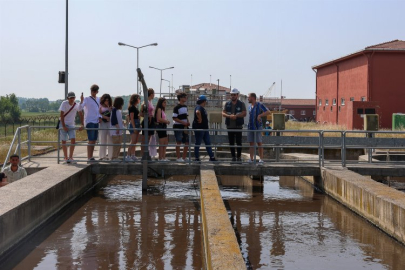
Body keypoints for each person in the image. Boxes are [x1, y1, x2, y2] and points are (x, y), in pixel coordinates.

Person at [58, 92, 84, 164]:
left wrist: (82, 124)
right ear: (68, 98)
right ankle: (66, 157)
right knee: (64, 140)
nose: (72, 99)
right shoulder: (64, 103)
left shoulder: (76, 105)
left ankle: (71, 156)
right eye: (70, 98)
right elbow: (62, 115)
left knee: (73, 139)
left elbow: (81, 114)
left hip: (71, 124)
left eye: (73, 98)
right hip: (63, 123)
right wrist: (63, 126)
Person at [222, 88, 246, 162]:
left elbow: (244, 113)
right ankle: (233, 157)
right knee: (231, 142)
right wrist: (229, 116)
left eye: (234, 95)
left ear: (237, 95)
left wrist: (236, 116)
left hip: (238, 126)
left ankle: (238, 157)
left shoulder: (241, 104)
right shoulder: (227, 104)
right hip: (230, 126)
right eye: (231, 95)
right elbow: (223, 113)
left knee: (239, 142)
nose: (233, 96)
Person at [247, 92, 271, 164]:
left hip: (257, 127)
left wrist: (260, 115)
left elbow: (268, 112)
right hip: (250, 127)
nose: (248, 98)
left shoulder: (259, 105)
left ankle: (261, 159)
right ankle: (251, 159)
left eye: (249, 97)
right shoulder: (249, 107)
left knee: (259, 143)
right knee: (251, 143)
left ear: (253, 98)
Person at [80, 84, 101, 162]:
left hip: (96, 121)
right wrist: (81, 101)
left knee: (94, 140)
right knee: (91, 139)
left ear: (97, 91)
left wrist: (100, 117)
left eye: (95, 91)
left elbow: (99, 109)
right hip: (89, 121)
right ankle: (89, 157)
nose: (93, 92)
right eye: (92, 91)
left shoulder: (99, 99)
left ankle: (91, 156)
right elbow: (80, 108)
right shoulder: (86, 99)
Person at [192, 95, 217, 162]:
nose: (206, 103)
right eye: (205, 101)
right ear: (203, 101)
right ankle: (196, 158)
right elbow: (197, 112)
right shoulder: (199, 107)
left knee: (208, 143)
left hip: (204, 129)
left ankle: (211, 157)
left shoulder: (202, 108)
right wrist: (200, 119)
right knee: (198, 143)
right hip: (200, 129)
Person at [172, 92, 190, 162]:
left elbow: (186, 116)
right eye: (184, 97)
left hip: (185, 127)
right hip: (178, 126)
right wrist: (184, 122)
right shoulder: (176, 107)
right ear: (180, 98)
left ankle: (184, 157)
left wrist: (188, 122)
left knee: (187, 142)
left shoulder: (185, 107)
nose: (185, 98)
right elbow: (174, 118)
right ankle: (178, 158)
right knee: (178, 142)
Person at [139, 89, 156, 159]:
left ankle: (147, 154)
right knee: (144, 140)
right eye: (153, 93)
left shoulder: (150, 102)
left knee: (148, 139)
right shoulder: (146, 102)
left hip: (151, 121)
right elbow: (140, 113)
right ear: (151, 94)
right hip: (147, 121)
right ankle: (143, 155)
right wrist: (147, 116)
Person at [126, 94, 141, 161]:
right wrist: (134, 127)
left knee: (135, 141)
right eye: (138, 98)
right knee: (133, 141)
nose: (139, 100)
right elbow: (131, 117)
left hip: (137, 123)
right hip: (134, 124)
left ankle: (133, 155)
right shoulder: (132, 107)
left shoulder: (135, 107)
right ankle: (128, 156)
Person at [155, 97, 170, 161]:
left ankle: (163, 157)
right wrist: (166, 121)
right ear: (161, 103)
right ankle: (160, 157)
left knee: (165, 143)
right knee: (162, 143)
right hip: (160, 127)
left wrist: (166, 121)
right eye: (164, 102)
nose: (165, 104)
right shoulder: (159, 109)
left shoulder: (162, 110)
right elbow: (159, 119)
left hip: (163, 126)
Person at [109, 97, 125, 161]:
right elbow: (113, 120)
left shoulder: (117, 110)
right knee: (116, 145)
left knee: (119, 145)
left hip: (118, 131)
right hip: (115, 131)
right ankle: (114, 158)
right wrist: (118, 128)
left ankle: (116, 157)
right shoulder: (114, 110)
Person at [99, 94, 112, 160]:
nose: (107, 101)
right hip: (103, 123)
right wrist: (105, 117)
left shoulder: (110, 106)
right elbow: (99, 114)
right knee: (103, 139)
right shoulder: (100, 106)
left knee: (110, 139)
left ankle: (110, 155)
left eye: (108, 100)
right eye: (106, 100)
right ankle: (102, 155)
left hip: (109, 123)